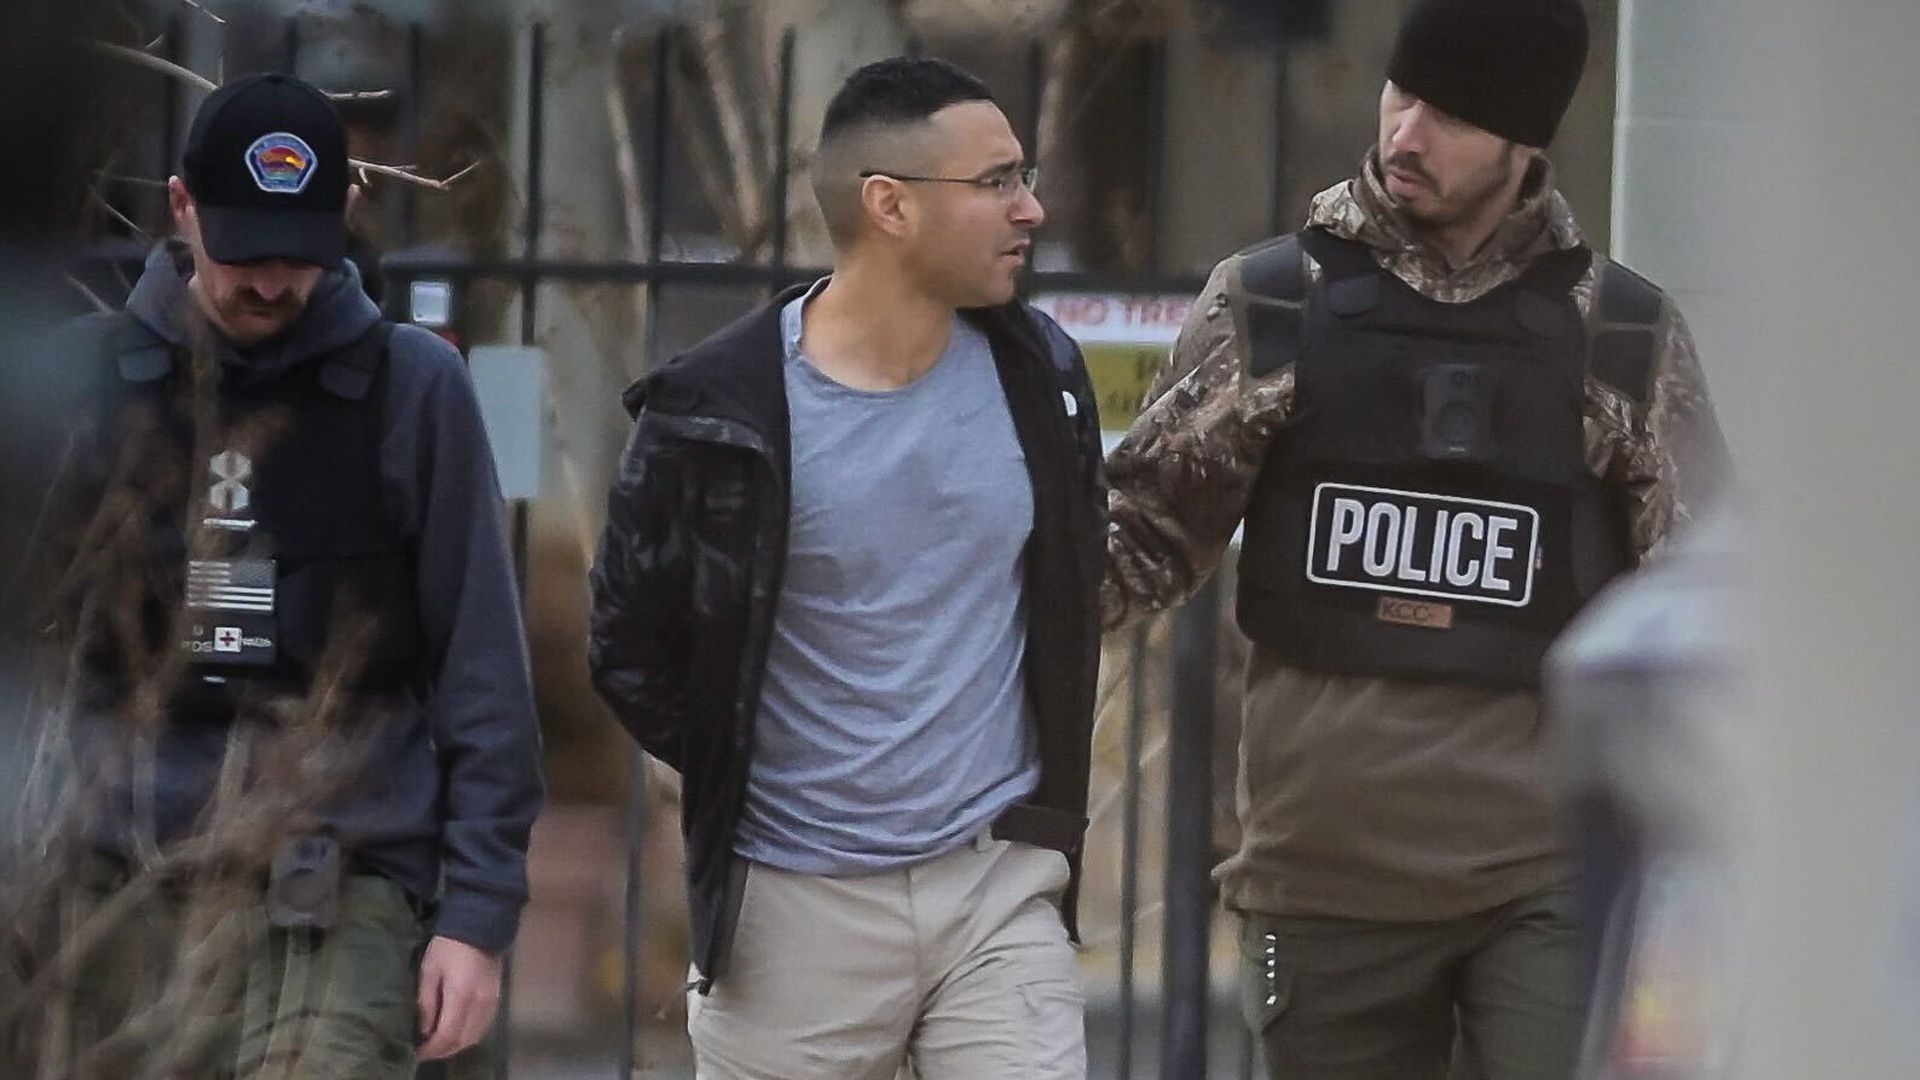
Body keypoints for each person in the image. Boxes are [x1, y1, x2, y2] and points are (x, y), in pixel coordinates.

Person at [1101, 2, 1730, 1077]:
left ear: (1525, 140)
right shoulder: (1270, 306)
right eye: (1403, 94)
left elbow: (1707, 600)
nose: (1403, 135)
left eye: (1451, 116)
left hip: (1541, 887)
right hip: (1323, 883)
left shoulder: (1618, 337)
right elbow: (1135, 543)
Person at [589, 57, 1105, 1080]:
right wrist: (761, 770)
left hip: (995, 885)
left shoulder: (1039, 371)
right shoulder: (714, 414)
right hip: (793, 913)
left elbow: (1069, 583)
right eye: (997, 180)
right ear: (890, 206)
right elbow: (629, 647)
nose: (1031, 207)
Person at [19, 73, 542, 1075]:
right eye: (242, 251)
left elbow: (483, 665)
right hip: (110, 890)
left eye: (298, 256)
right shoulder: (82, 382)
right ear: (181, 208)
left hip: (336, 890)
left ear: (346, 210)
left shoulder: (411, 389)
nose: (269, 282)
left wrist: (475, 918)